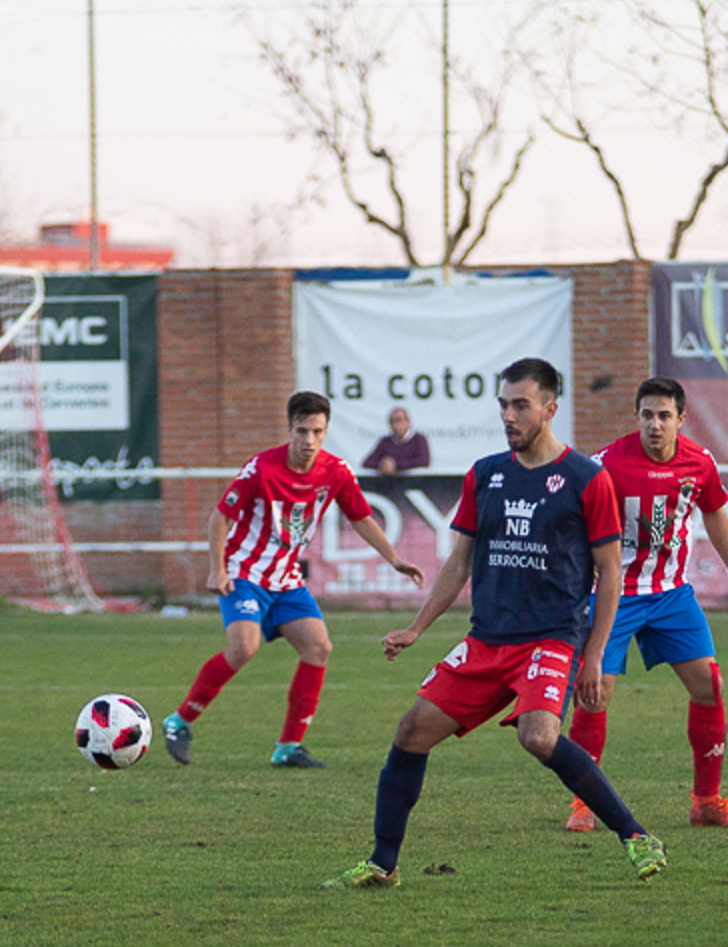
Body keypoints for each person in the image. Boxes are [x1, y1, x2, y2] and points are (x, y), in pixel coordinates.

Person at [322, 357, 666, 889]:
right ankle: (382, 863)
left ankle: (635, 835)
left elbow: (610, 574)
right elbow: (459, 561)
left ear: (551, 409)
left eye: (521, 405)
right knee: (411, 731)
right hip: (487, 639)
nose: (509, 415)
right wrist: (417, 628)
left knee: (539, 736)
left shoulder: (586, 480)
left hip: (551, 638)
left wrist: (593, 655)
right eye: (504, 404)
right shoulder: (485, 474)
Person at [163, 391, 425, 769]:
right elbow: (220, 517)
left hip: (285, 579)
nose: (309, 441)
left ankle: (288, 746)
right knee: (243, 647)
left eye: (317, 431)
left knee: (319, 648)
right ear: (289, 430)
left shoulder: (335, 471)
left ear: (326, 430)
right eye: (302, 431)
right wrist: (217, 569)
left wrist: (395, 558)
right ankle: (180, 721)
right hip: (245, 573)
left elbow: (361, 517)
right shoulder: (261, 468)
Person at [563, 377, 728, 831]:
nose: (655, 424)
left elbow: (714, 511)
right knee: (596, 694)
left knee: (710, 686)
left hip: (671, 594)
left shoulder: (699, 462)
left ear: (680, 419)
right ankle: (584, 803)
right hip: (614, 595)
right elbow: (574, 519)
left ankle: (706, 803)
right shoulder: (606, 465)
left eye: (664, 415)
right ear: (636, 418)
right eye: (647, 415)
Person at [363, 406, 430, 473]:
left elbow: (423, 461)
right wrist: (382, 465)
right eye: (391, 422)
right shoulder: (385, 442)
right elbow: (367, 463)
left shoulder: (419, 440)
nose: (395, 425)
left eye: (398, 420)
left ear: (408, 422)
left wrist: (396, 465)